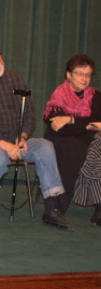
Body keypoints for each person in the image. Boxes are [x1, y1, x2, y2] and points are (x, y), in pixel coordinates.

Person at [0, 41, 71, 229]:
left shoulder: (15, 79)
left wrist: (24, 136)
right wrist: (4, 144)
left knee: (45, 147)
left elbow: (29, 114)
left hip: (15, 138)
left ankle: (52, 208)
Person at [43, 54, 101, 226]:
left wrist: (70, 119)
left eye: (88, 75)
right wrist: (88, 124)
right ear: (69, 75)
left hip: (88, 139)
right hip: (61, 139)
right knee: (75, 151)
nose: (84, 79)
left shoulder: (96, 96)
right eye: (80, 74)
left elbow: (97, 120)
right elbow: (59, 128)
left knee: (97, 148)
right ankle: (55, 208)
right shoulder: (58, 97)